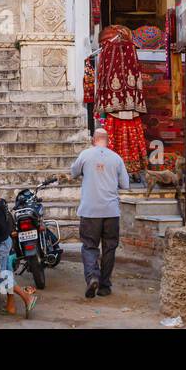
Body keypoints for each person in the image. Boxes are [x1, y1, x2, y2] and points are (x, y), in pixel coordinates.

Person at [69, 127, 130, 298]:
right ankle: (104, 286)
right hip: (111, 211)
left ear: (93, 140)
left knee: (89, 246)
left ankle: (92, 277)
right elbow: (125, 184)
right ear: (108, 140)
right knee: (109, 247)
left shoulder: (85, 155)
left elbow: (73, 172)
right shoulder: (116, 158)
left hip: (90, 211)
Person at [0, 179, 37, 317]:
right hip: (6, 242)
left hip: (0, 245)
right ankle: (11, 306)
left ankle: (27, 297)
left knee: (2, 278)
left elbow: (0, 226)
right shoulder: (1, 202)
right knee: (8, 274)